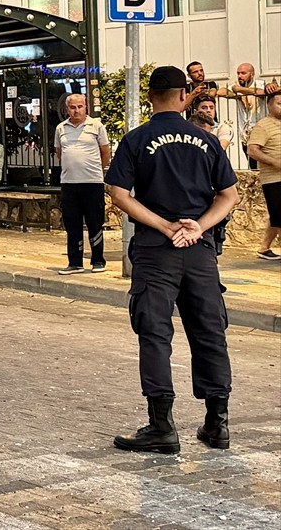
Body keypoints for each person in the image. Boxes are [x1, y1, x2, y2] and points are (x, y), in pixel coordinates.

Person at [106, 65, 239, 454]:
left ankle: (162, 427)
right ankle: (217, 424)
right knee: (210, 334)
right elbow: (229, 195)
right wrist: (197, 227)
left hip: (155, 250)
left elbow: (118, 192)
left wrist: (165, 226)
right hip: (199, 252)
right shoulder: (207, 140)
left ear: (149, 96)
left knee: (155, 335)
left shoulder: (136, 139)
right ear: (185, 97)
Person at [54, 95, 111, 275]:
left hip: (92, 182)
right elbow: (59, 152)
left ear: (86, 107)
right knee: (72, 224)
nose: (76, 110)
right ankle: (75, 263)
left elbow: (105, 152)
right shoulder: (61, 128)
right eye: (72, 107)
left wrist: (96, 170)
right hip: (69, 183)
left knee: (95, 223)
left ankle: (98, 260)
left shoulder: (96, 126)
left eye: (80, 106)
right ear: (66, 109)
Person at [246, 89, 281, 260]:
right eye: (279, 104)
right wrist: (276, 163)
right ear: (269, 105)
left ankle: (263, 248)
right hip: (274, 179)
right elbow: (252, 150)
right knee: (279, 216)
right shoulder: (263, 125)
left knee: (276, 216)